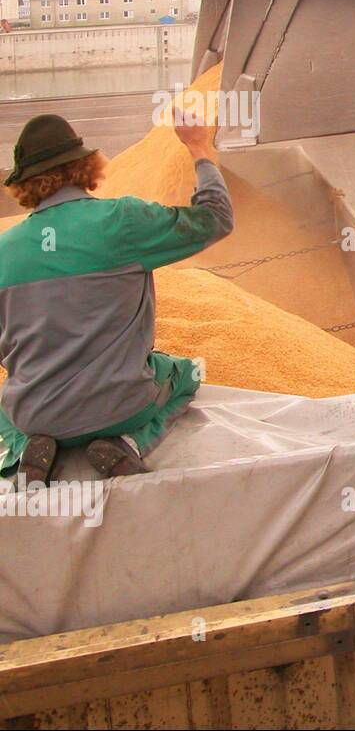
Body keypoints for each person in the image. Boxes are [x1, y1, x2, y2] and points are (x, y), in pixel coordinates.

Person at [0, 114, 233, 482]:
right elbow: (216, 218)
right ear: (87, 165)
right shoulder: (123, 220)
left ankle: (24, 449)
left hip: (37, 415)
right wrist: (198, 148)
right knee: (186, 372)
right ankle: (129, 442)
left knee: (6, 404)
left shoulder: (5, 250)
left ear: (24, 186)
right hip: (122, 406)